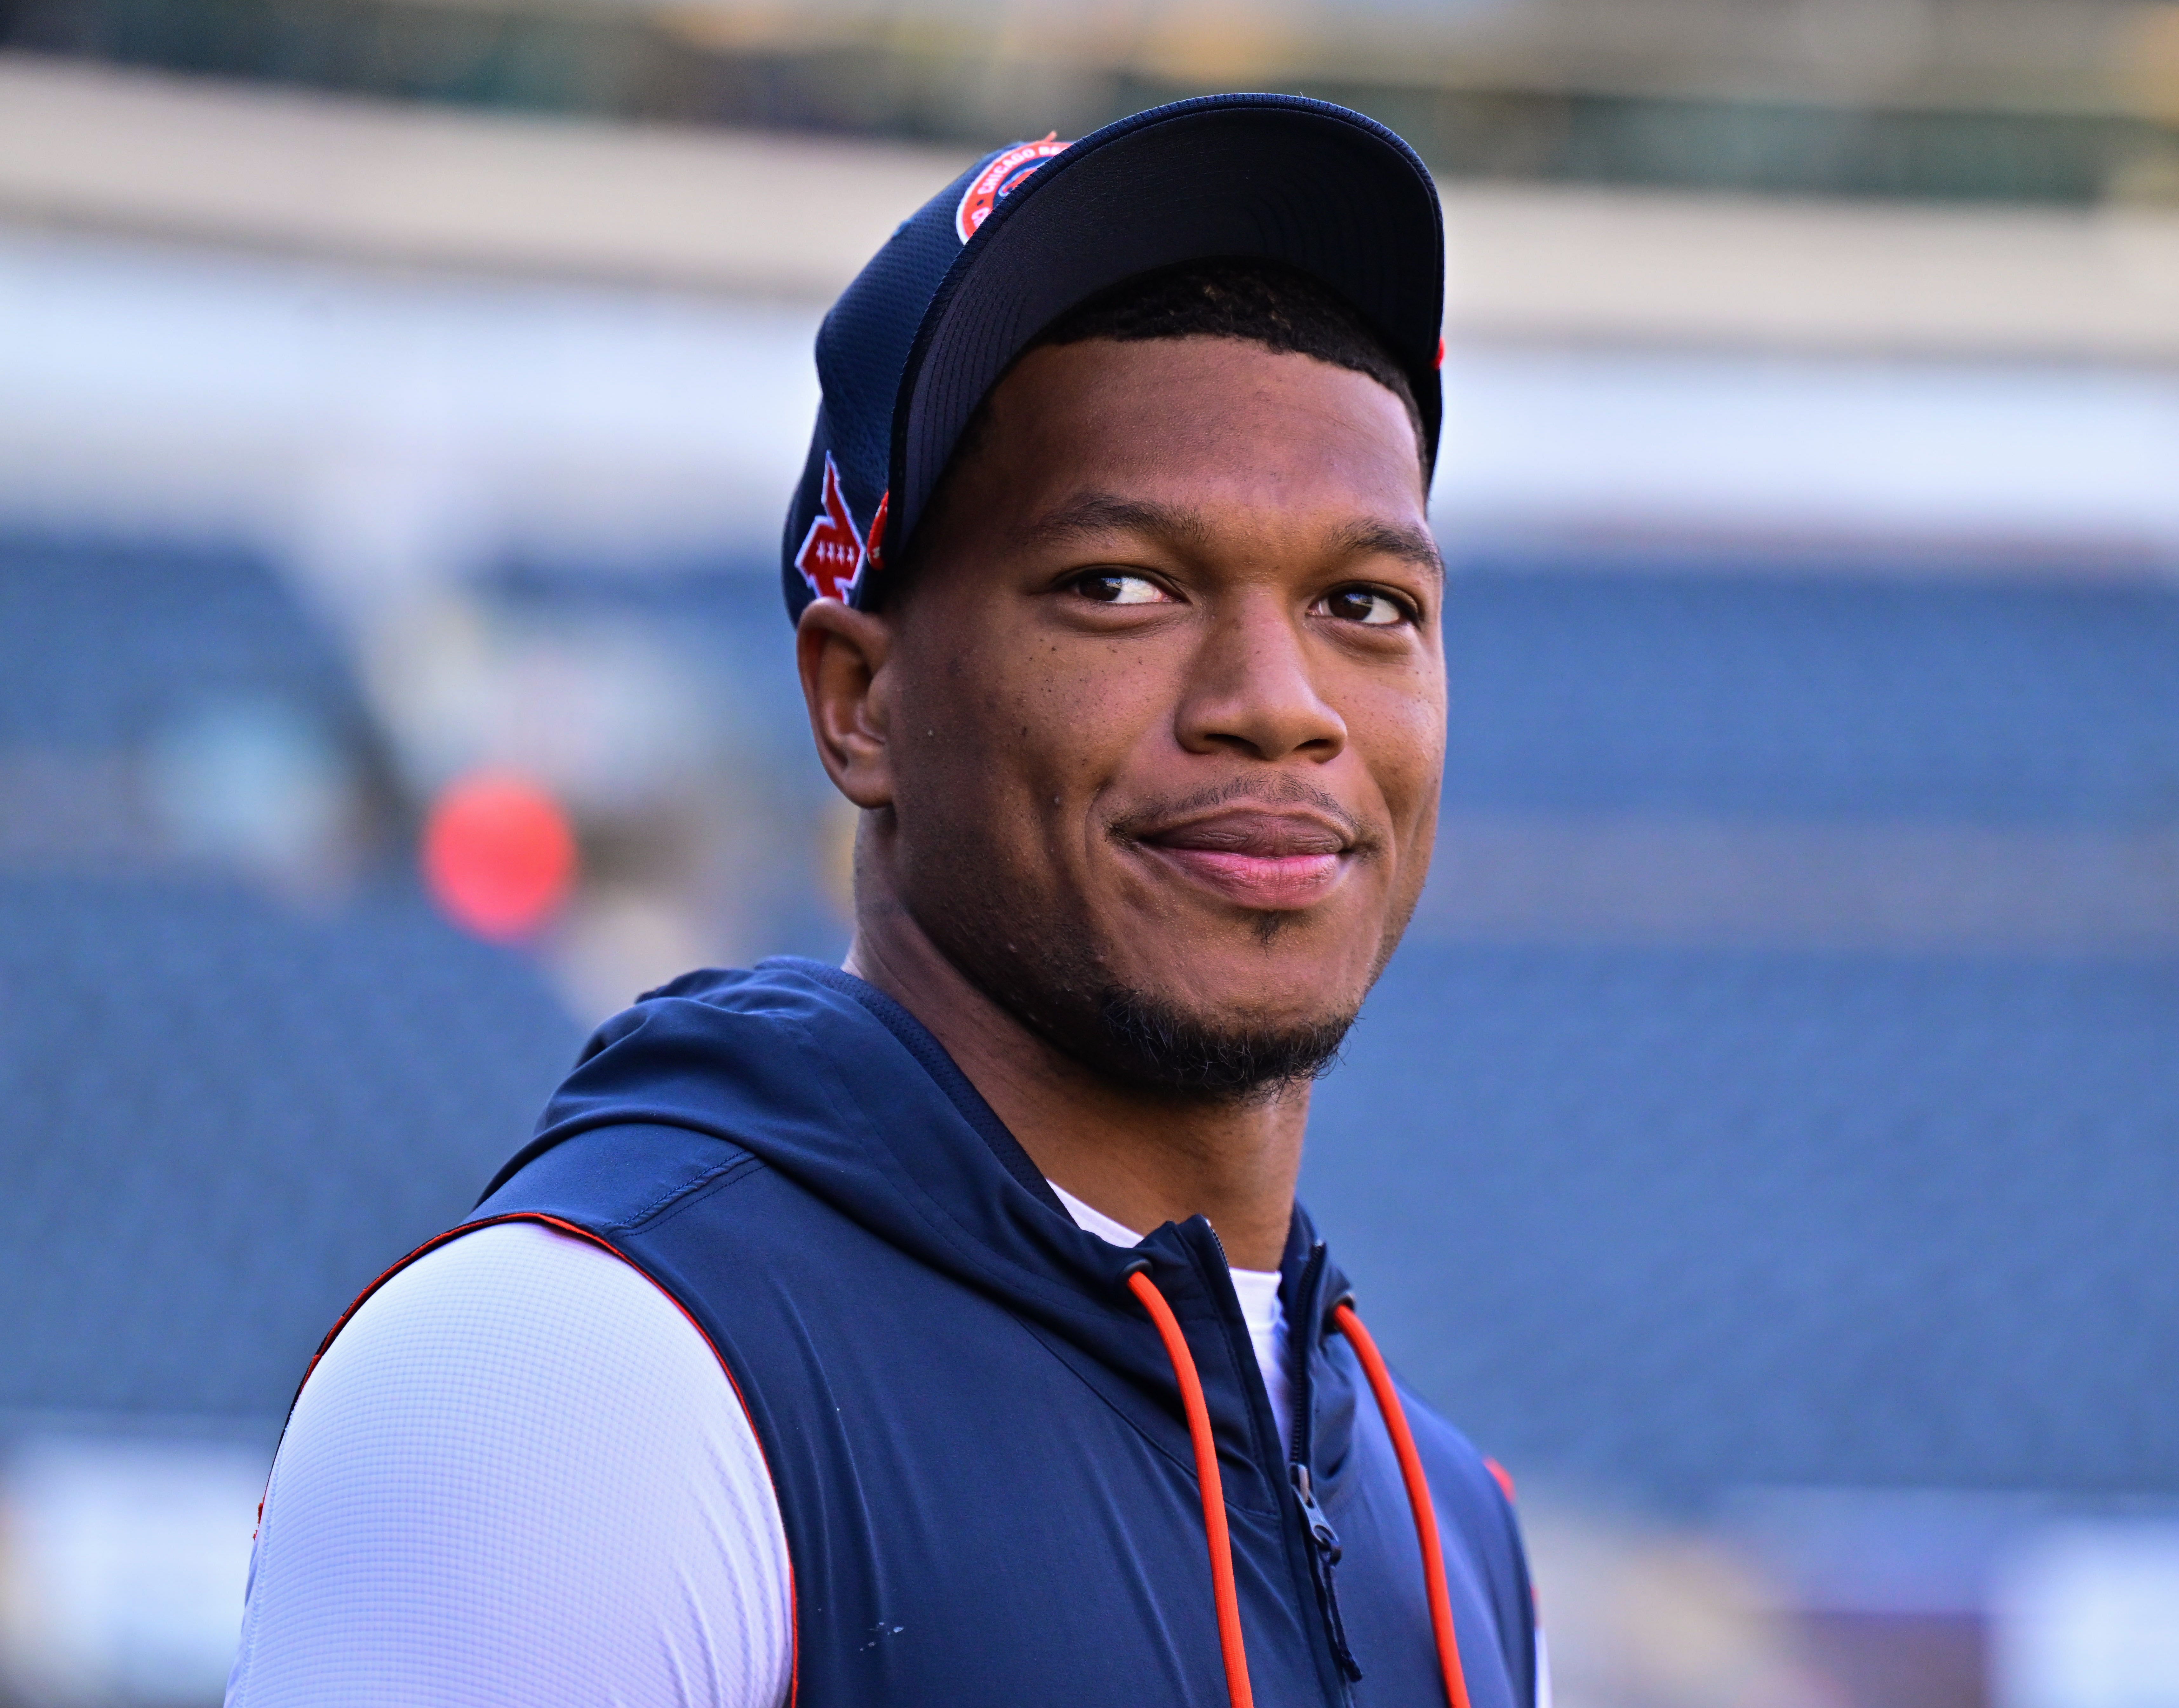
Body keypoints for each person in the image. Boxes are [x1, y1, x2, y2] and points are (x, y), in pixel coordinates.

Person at [228, 94, 1540, 1708]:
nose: (1278, 702)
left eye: (1364, 603)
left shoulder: (1447, 1524)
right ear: (859, 701)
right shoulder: (576, 1377)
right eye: (1119, 585)